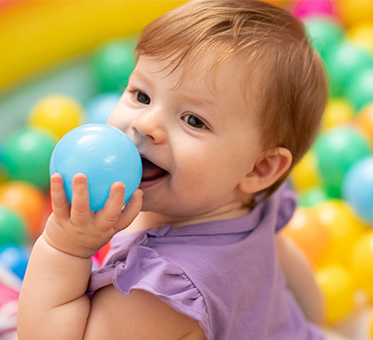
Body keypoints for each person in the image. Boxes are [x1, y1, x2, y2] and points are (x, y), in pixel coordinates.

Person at [17, 0, 329, 339]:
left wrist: (63, 248)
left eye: (193, 120)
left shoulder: (163, 293)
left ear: (259, 168)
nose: (145, 123)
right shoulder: (245, 199)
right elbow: (297, 280)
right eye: (141, 95)